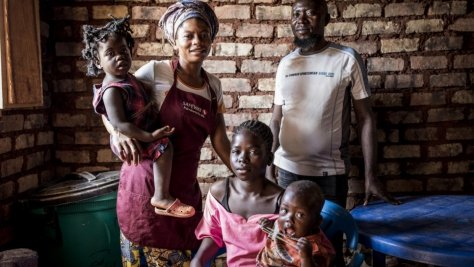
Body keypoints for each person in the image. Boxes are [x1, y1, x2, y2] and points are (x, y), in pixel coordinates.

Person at [267, 0, 401, 265]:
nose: (301, 20)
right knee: (287, 251)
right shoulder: (286, 64)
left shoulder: (346, 58)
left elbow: (366, 119)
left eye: (310, 13)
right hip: (287, 173)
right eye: (295, 14)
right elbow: (275, 118)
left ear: (326, 18)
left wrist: (370, 175)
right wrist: (270, 160)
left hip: (330, 175)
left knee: (328, 253)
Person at [100, 1, 232, 265]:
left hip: (184, 191)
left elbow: (220, 140)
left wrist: (249, 177)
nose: (198, 41)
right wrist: (117, 133)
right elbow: (109, 99)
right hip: (146, 187)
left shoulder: (213, 86)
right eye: (189, 35)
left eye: (204, 35)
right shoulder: (155, 71)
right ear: (175, 41)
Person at [82, 16, 196, 219]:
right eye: (110, 54)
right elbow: (120, 124)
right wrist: (150, 136)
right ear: (97, 62)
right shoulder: (112, 91)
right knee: (164, 147)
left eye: (124, 51)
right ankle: (161, 197)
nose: (120, 57)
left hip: (140, 132)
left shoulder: (130, 78)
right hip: (134, 139)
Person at [191, 120, 284, 267]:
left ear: (269, 159)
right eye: (236, 151)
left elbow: (298, 249)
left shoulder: (283, 201)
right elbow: (213, 233)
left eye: (253, 152)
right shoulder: (220, 194)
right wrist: (198, 260)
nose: (242, 159)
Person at [256, 180, 335, 267]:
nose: (288, 219)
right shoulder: (281, 224)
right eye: (284, 210)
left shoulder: (315, 250)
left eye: (300, 215)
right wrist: (270, 227)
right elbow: (276, 232)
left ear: (316, 222)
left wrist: (306, 258)